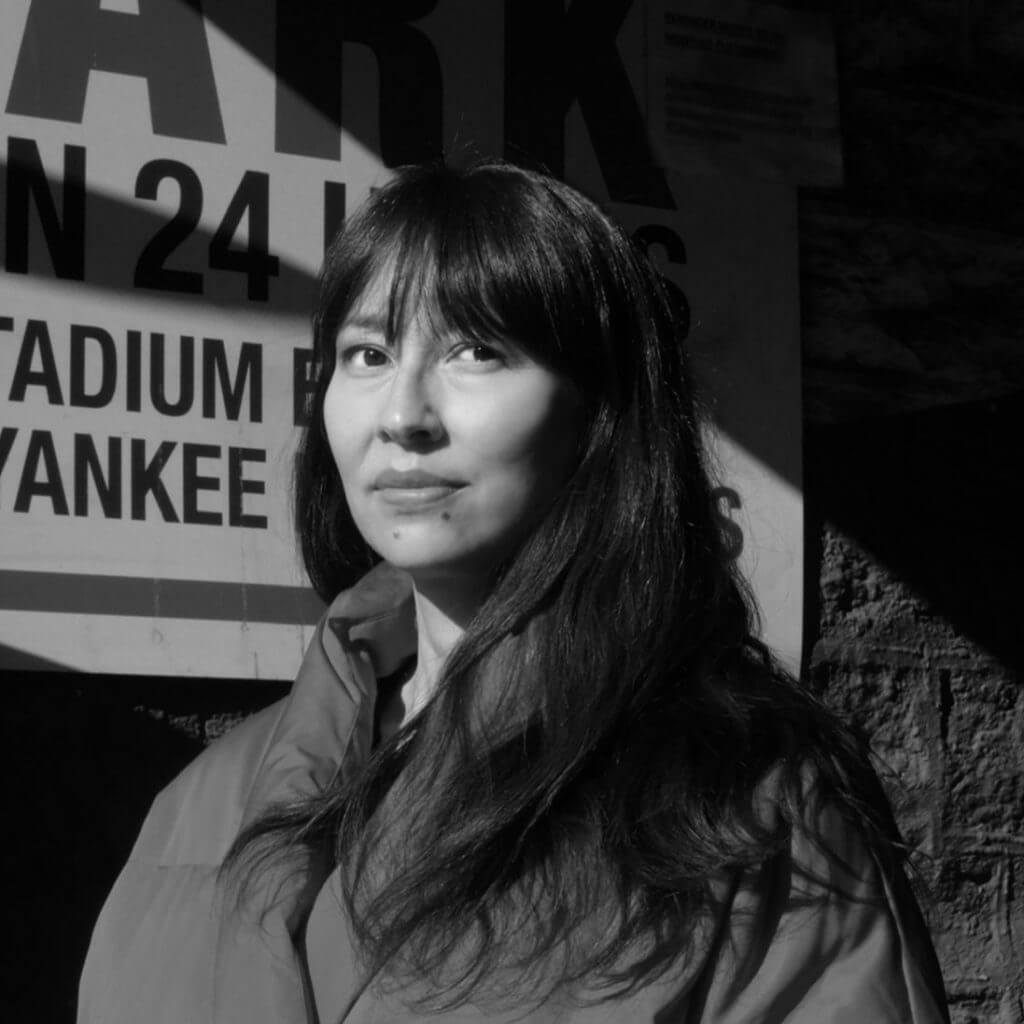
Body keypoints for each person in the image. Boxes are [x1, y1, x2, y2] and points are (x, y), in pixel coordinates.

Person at [78, 161, 950, 1023]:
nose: (404, 414)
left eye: (476, 350)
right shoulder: (201, 801)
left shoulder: (745, 795)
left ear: (599, 414)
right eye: (368, 353)